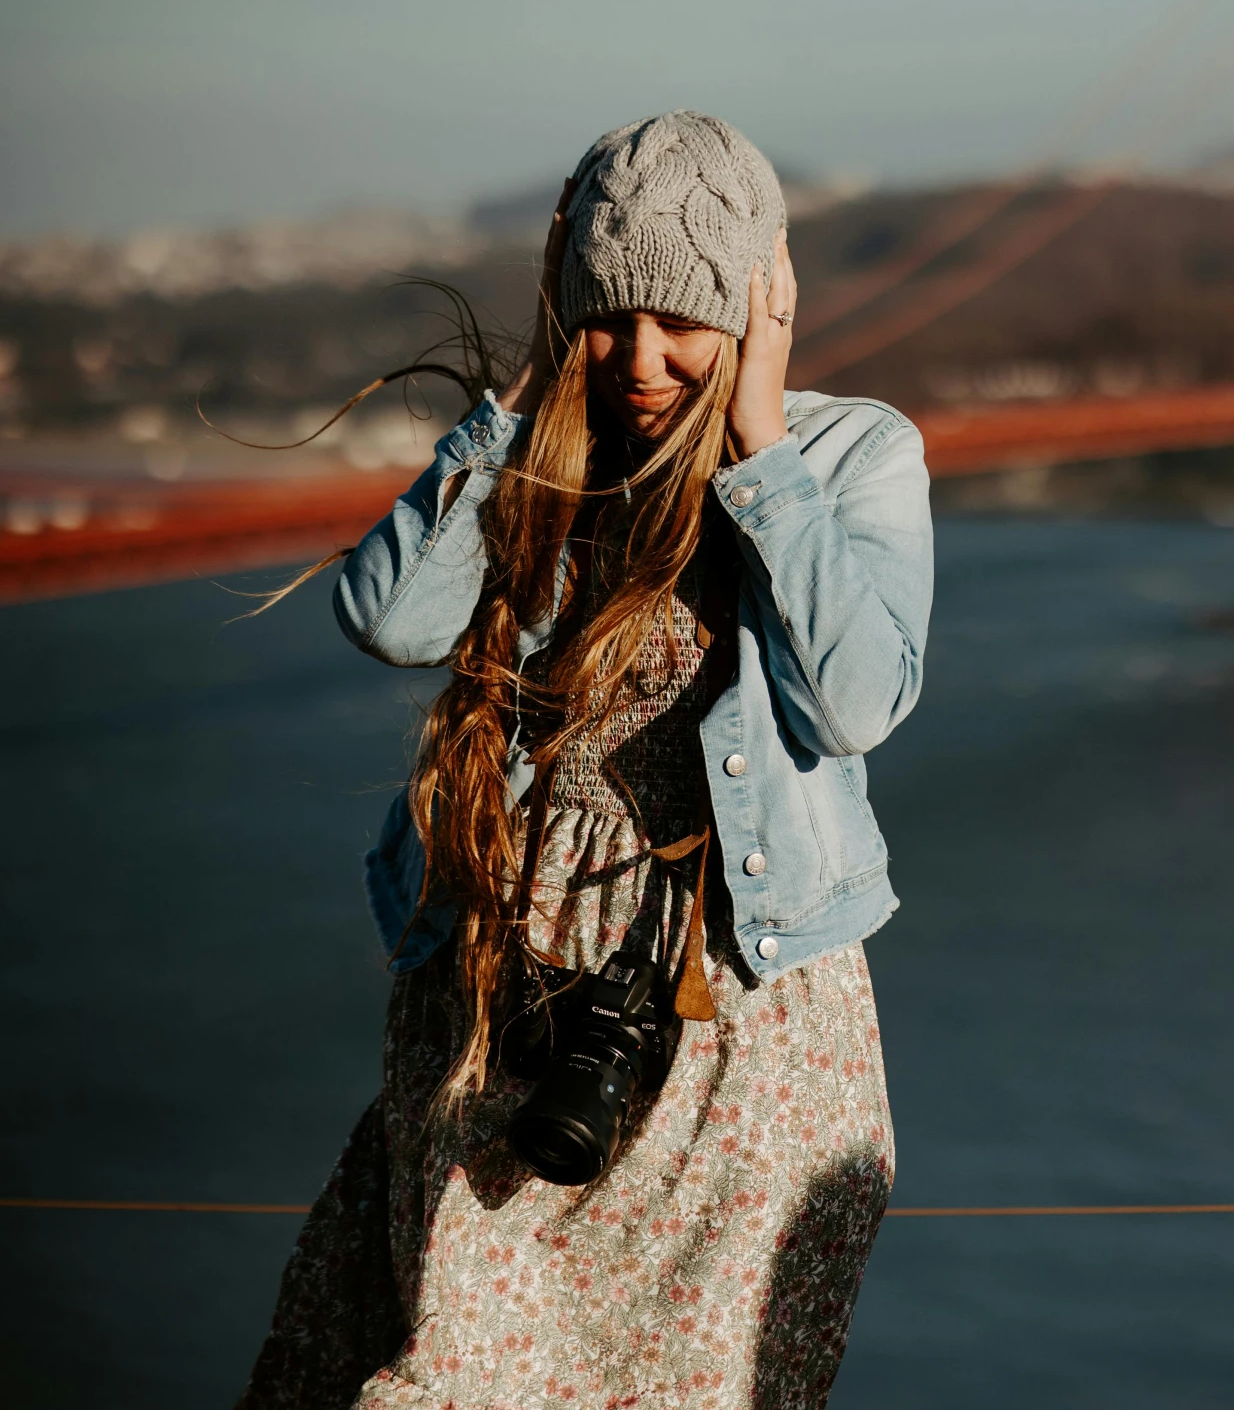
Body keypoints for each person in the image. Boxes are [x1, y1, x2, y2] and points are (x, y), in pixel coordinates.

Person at [238, 110, 933, 1409]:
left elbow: (855, 705)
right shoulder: (543, 457)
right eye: (607, 316)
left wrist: (761, 445)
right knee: (455, 1356)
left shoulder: (850, 455)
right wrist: (517, 408)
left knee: (699, 1382)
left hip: (737, 1007)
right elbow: (390, 619)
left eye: (683, 318)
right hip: (508, 973)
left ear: (758, 304)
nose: (643, 357)